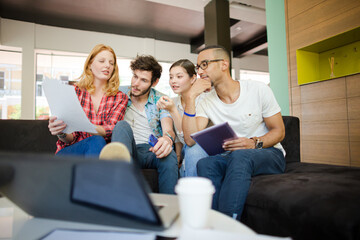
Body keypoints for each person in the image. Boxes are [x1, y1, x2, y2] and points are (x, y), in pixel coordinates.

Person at [182, 45, 286, 220]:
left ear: (224, 64)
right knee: (206, 164)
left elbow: (279, 131)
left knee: (241, 156)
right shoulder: (206, 101)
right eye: (198, 66)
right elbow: (190, 140)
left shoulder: (258, 90)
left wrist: (253, 142)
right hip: (234, 156)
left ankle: (228, 226)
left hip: (268, 153)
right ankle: (211, 223)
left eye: (204, 64)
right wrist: (191, 97)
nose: (200, 71)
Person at [100, 55, 178, 194]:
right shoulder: (118, 94)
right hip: (127, 149)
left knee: (169, 155)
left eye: (143, 80)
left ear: (154, 82)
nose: (136, 83)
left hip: (151, 150)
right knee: (122, 125)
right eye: (135, 76)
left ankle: (169, 208)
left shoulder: (161, 99)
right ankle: (120, 195)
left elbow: (168, 130)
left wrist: (167, 139)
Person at [48, 44, 128, 157]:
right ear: (90, 64)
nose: (107, 66)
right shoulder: (75, 91)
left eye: (111, 63)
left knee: (97, 141)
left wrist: (81, 124)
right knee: (96, 140)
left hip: (98, 153)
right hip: (70, 153)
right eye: (102, 61)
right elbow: (70, 138)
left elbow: (111, 129)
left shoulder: (120, 97)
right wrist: (60, 132)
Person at [156, 59, 208, 177]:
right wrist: (178, 158)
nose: (173, 81)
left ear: (193, 78)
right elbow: (179, 140)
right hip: (185, 149)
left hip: (200, 149)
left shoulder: (204, 100)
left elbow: (190, 139)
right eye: (171, 77)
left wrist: (173, 110)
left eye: (179, 76)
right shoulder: (173, 101)